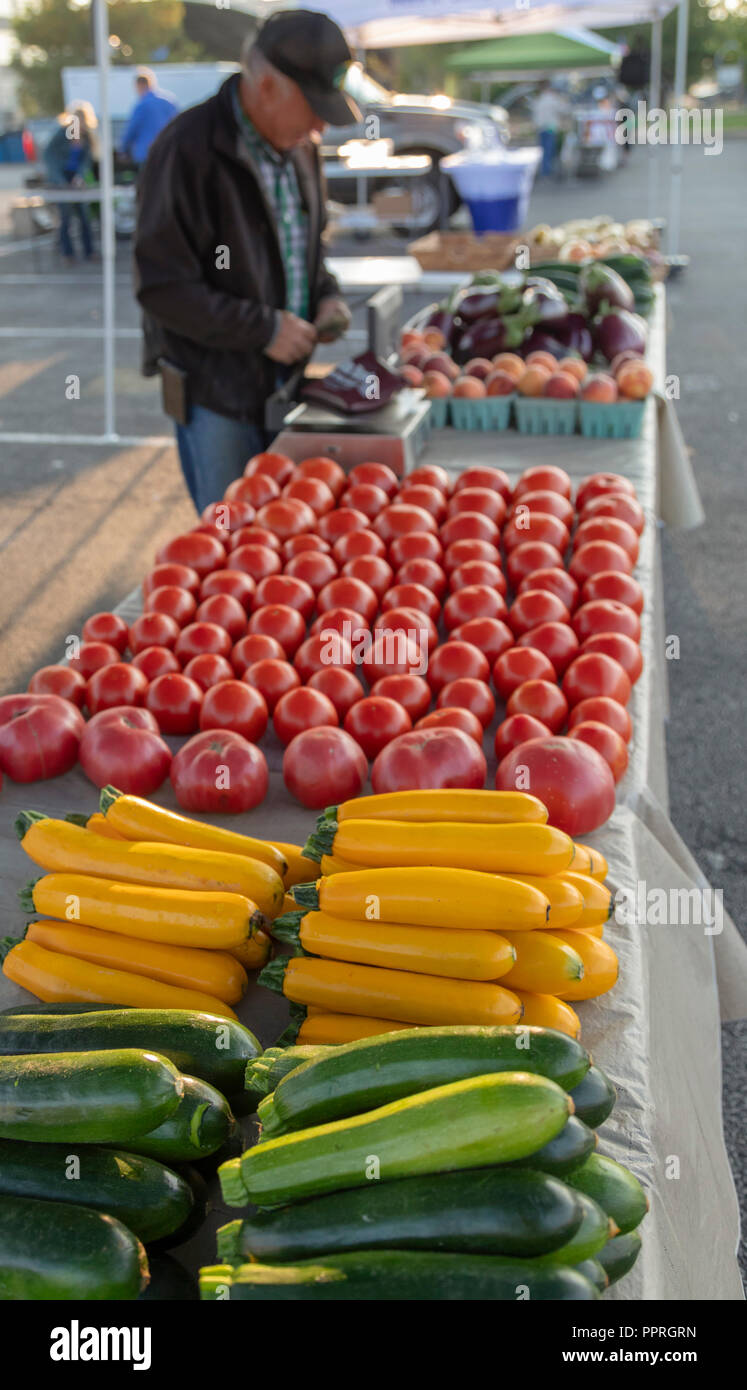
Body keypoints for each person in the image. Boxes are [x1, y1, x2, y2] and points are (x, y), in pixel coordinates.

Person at [134, 10, 357, 513]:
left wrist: (327, 298)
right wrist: (263, 329)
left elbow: (309, 254)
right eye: (315, 108)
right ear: (269, 86)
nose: (321, 126)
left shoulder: (302, 149)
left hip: (286, 384)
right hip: (217, 396)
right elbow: (162, 287)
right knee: (232, 548)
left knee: (285, 541)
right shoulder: (186, 150)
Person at [43, 101, 99, 263]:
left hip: (76, 179)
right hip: (60, 179)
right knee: (65, 218)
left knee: (84, 216)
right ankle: (67, 254)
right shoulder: (62, 135)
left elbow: (86, 162)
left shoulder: (87, 139)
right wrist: (60, 180)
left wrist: (80, 176)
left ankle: (89, 252)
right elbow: (50, 157)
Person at [120, 68, 178, 170]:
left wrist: (124, 149)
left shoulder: (142, 105)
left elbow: (132, 129)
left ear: (139, 85)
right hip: (168, 152)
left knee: (148, 183)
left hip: (146, 153)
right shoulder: (170, 101)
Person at [531, 82, 564, 177]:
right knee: (549, 150)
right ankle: (547, 171)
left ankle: (544, 169)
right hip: (550, 128)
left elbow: (535, 115)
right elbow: (563, 110)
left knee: (543, 150)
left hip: (541, 128)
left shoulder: (538, 100)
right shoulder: (553, 99)